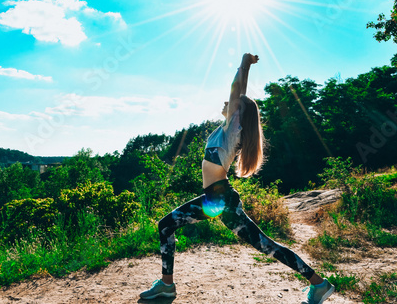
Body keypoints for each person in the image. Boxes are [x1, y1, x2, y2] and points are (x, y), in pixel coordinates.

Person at [140, 53, 335, 304]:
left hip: (219, 199)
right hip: (216, 198)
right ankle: (166, 286)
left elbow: (237, 90)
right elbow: (239, 94)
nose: (227, 102)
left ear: (238, 113)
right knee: (264, 245)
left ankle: (318, 284)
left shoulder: (234, 128)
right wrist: (247, 69)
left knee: (265, 245)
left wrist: (244, 64)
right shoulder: (228, 130)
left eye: (233, 104)